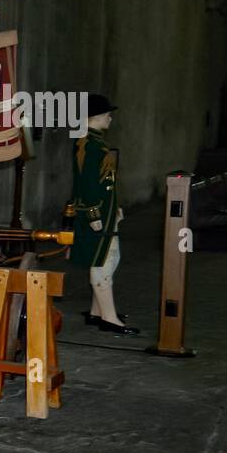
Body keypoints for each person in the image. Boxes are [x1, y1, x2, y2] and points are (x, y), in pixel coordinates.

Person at [70, 93, 138, 335]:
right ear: (95, 116)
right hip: (97, 214)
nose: (110, 117)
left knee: (110, 256)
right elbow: (87, 184)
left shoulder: (93, 142)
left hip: (105, 212)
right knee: (103, 260)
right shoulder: (89, 144)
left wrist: (114, 208)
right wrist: (93, 214)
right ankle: (108, 318)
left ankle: (97, 312)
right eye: (107, 113)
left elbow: (103, 182)